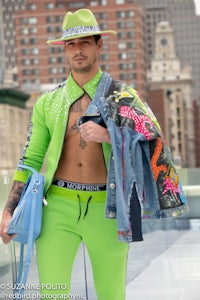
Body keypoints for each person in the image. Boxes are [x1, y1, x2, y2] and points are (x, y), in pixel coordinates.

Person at [0, 8, 189, 300]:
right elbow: (31, 157)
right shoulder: (48, 103)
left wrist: (110, 135)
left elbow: (155, 141)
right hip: (58, 208)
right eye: (72, 44)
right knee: (53, 294)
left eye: (85, 42)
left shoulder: (122, 96)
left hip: (108, 209)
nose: (78, 50)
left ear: (98, 45)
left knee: (112, 293)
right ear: (64, 49)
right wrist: (10, 208)